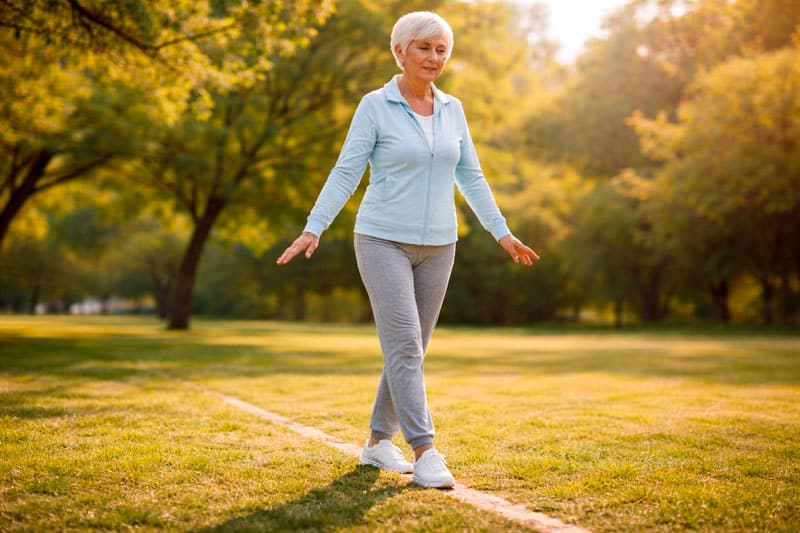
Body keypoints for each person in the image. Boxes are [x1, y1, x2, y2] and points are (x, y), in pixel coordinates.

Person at [276, 11, 539, 489]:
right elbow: (345, 173)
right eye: (423, 47)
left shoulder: (452, 108)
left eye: (441, 49)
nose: (434, 57)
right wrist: (314, 228)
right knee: (405, 346)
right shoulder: (375, 106)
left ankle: (378, 443)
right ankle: (425, 451)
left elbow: (471, 175)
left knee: (411, 350)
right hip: (381, 239)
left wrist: (502, 232)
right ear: (399, 51)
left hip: (441, 245)